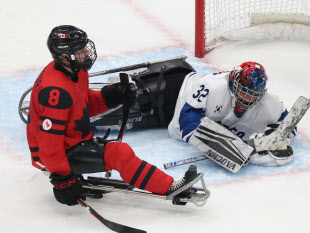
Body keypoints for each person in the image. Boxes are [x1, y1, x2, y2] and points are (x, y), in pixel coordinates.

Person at [26, 25, 198, 206]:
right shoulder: (56, 92)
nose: (86, 52)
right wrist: (63, 180)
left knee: (118, 153)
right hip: (52, 157)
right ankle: (170, 187)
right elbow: (48, 148)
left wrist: (111, 96)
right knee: (119, 154)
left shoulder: (75, 71)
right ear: (64, 56)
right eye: (80, 50)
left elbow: (81, 107)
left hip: (69, 143)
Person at [168, 62, 295, 168]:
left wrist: (277, 136)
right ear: (234, 84)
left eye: (253, 95)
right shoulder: (213, 86)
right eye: (244, 92)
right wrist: (218, 145)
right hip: (174, 92)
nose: (248, 99)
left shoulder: (268, 103)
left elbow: (289, 122)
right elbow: (187, 118)